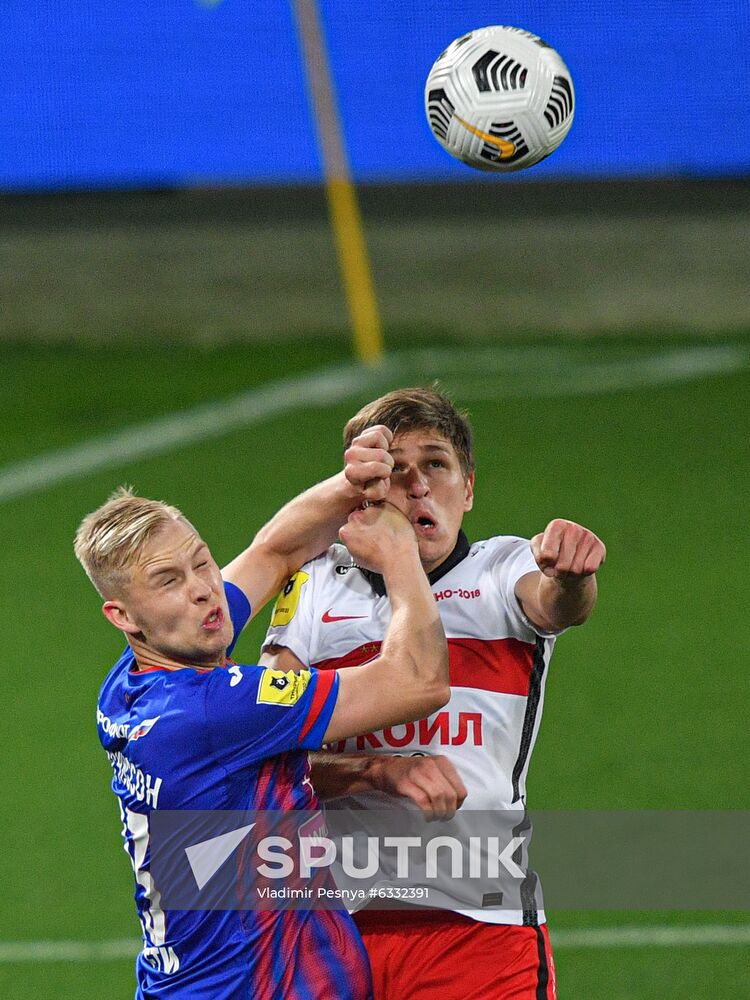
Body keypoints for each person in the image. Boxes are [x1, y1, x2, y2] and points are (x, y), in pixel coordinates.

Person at [261, 387, 607, 1000]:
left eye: (436, 465)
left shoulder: (503, 571)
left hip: (480, 929)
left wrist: (574, 576)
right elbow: (266, 754)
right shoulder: (313, 588)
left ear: (468, 489)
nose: (416, 485)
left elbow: (557, 605)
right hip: (335, 932)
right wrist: (375, 771)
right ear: (363, 491)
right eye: (395, 468)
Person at [74, 453, 450, 1000]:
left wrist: (353, 481)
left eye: (202, 563)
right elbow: (418, 682)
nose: (204, 588)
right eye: (168, 581)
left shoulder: (129, 682)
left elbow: (275, 551)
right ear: (123, 617)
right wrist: (399, 558)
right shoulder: (214, 710)